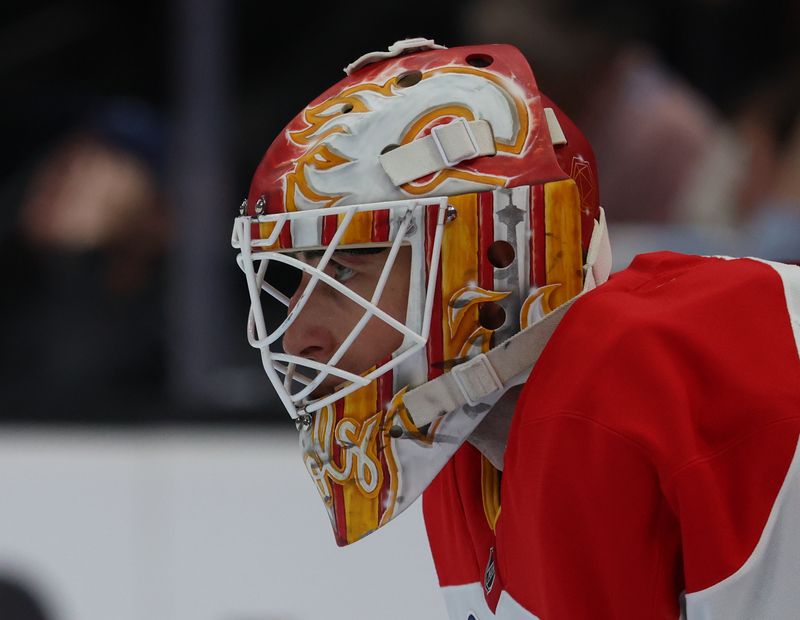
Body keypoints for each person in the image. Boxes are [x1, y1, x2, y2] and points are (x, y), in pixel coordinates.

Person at [231, 39, 800, 618]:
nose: (297, 336)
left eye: (345, 268)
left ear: (492, 255)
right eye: (298, 277)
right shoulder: (460, 459)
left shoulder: (696, 376)